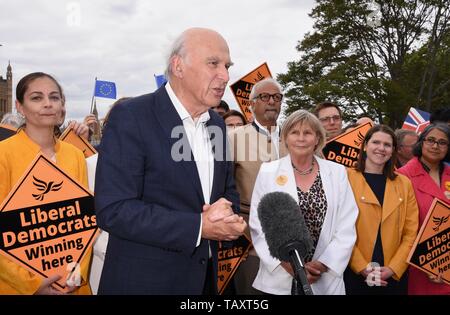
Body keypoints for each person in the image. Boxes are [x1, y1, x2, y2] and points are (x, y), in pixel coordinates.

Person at [94, 27, 246, 295]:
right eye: (213, 63)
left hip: (207, 283)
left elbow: (227, 191)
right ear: (178, 66)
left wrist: (228, 217)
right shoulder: (131, 116)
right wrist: (200, 227)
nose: (225, 75)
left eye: (227, 66)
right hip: (145, 284)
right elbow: (114, 210)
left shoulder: (217, 126)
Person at [0, 72, 92, 294]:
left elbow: (85, 222)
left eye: (54, 97)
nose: (48, 104)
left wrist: (75, 274)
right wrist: (32, 285)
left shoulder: (75, 155)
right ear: (19, 107)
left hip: (72, 283)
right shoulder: (4, 154)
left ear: (62, 105)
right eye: (36, 98)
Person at [249, 109, 358, 294]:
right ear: (285, 138)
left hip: (324, 278)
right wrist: (288, 265)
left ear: (317, 138)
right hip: (280, 279)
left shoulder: (338, 172)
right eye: (294, 132)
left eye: (307, 133)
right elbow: (258, 224)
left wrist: (323, 265)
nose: (301, 138)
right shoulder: (268, 171)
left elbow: (346, 224)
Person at [228, 78, 288, 294]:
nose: (272, 101)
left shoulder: (296, 138)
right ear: (251, 104)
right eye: (265, 97)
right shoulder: (232, 139)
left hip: (292, 242)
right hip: (249, 242)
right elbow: (223, 191)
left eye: (277, 97)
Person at [345, 125, 419, 295]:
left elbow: (411, 232)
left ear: (393, 150)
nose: (381, 148)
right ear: (365, 145)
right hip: (354, 272)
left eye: (387, 145)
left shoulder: (404, 183)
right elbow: (339, 228)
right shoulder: (346, 177)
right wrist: (361, 266)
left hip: (392, 275)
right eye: (376, 142)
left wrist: (394, 268)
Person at [397, 123, 450, 295]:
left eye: (442, 142)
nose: (436, 146)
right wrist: (432, 261)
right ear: (421, 142)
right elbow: (400, 226)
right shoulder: (402, 176)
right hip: (419, 265)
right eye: (431, 140)